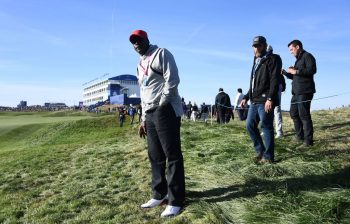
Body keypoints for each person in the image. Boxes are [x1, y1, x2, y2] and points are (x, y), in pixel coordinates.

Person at [129, 29, 185, 217]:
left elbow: (173, 80)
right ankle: (159, 194)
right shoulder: (139, 63)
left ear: (146, 39)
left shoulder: (161, 53)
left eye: (139, 40)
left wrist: (162, 103)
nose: (136, 44)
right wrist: (143, 118)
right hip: (150, 113)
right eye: (133, 42)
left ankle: (175, 199)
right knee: (155, 155)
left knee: (172, 154)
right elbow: (144, 92)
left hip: (165, 109)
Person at [240, 36, 282, 164]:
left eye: (259, 45)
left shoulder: (273, 58)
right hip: (254, 100)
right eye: (254, 46)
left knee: (266, 126)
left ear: (264, 45)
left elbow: (275, 79)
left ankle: (269, 157)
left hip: (265, 100)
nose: (256, 48)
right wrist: (246, 97)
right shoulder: (256, 60)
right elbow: (254, 84)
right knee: (249, 125)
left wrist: (270, 98)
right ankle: (260, 151)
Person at [282, 40, 317, 147]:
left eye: (291, 49)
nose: (291, 52)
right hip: (296, 93)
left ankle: (308, 141)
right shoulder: (298, 60)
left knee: (304, 115)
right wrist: (285, 73)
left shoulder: (308, 56)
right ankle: (299, 135)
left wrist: (296, 71)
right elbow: (295, 76)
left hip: (305, 91)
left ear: (297, 47)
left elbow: (312, 70)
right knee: (293, 113)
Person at [267, 45, 286, 138]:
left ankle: (279, 131)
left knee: (276, 109)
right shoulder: (275, 58)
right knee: (270, 109)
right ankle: (270, 130)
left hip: (275, 86)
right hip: (270, 86)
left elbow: (276, 74)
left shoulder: (274, 58)